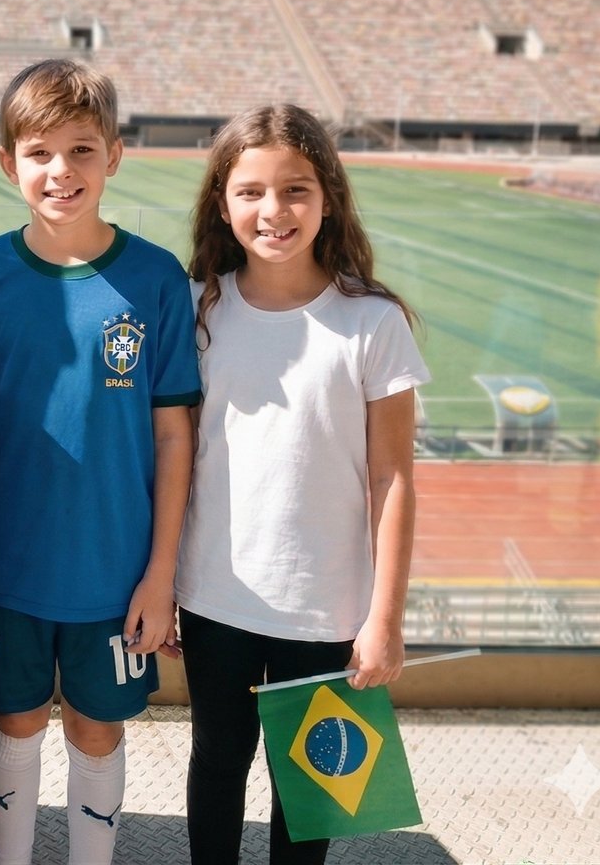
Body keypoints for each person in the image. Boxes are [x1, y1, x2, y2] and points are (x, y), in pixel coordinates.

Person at [0, 59, 201, 865]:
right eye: (40, 153)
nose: (61, 171)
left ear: (114, 156)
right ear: (8, 164)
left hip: (114, 569)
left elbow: (173, 434)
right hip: (9, 563)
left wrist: (161, 574)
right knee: (14, 718)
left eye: (82, 150)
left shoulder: (155, 279)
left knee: (97, 726)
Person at [176, 103, 426, 864]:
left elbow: (393, 477)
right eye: (251, 191)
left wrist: (384, 619)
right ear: (223, 202)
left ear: (328, 199)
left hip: (326, 607)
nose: (274, 210)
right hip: (215, 593)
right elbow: (174, 456)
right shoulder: (197, 308)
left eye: (295, 190)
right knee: (218, 760)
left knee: (310, 786)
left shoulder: (373, 323)